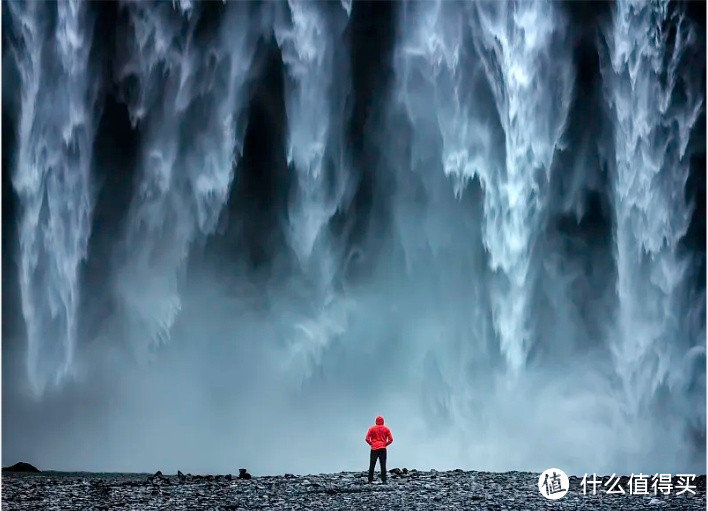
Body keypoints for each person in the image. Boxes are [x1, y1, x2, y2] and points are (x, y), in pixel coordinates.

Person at [365, 415, 393, 483]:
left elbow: (367, 439)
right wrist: (385, 444)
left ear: (376, 421)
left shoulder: (371, 429)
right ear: (383, 421)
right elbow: (391, 439)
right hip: (382, 448)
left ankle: (370, 480)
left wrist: (372, 444)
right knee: (383, 465)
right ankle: (384, 480)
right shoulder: (386, 429)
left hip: (374, 448)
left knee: (372, 464)